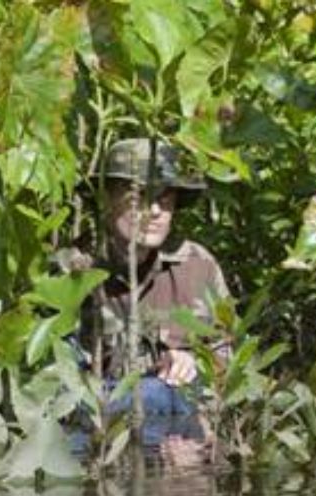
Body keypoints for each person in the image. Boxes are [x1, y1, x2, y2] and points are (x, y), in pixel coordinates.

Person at [62, 137, 231, 425]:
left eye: (165, 199)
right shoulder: (72, 269)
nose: (154, 211)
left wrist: (192, 363)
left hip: (178, 421)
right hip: (95, 423)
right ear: (107, 199)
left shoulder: (197, 265)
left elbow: (226, 355)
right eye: (139, 197)